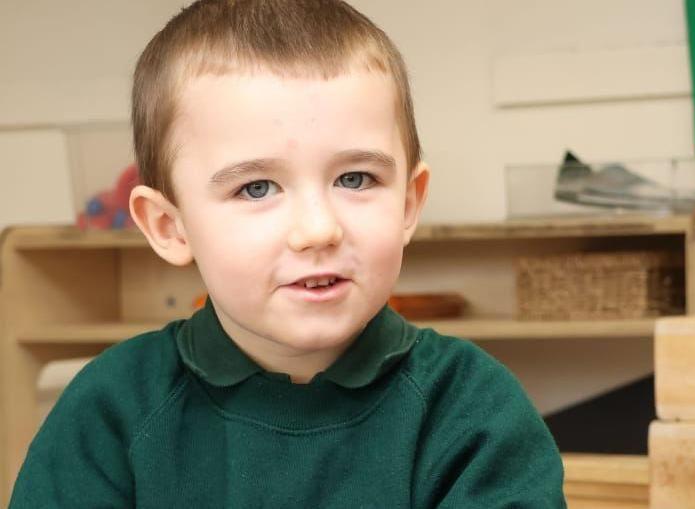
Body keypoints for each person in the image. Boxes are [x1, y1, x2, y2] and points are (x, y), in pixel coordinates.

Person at [10, 1, 566, 507]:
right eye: (256, 188)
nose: (317, 229)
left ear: (407, 204)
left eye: (355, 177)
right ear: (170, 226)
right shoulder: (110, 411)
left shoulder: (473, 411)